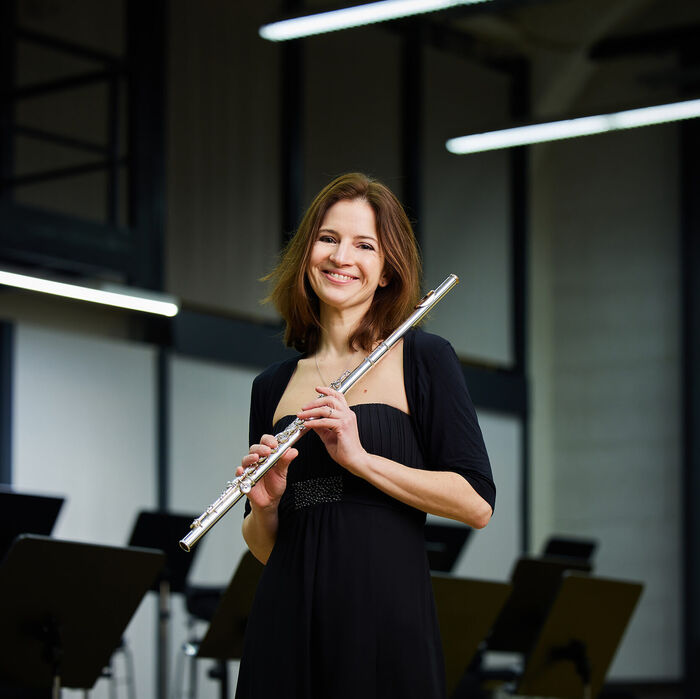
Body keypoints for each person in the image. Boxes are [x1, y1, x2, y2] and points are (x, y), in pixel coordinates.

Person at [234, 172, 495, 699]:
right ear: (306, 254)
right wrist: (265, 506)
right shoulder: (271, 386)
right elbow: (266, 549)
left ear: (387, 270)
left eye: (364, 245)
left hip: (382, 614)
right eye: (328, 238)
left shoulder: (424, 358)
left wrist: (359, 458)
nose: (340, 257)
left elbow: (476, 504)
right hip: (287, 616)